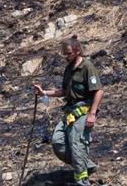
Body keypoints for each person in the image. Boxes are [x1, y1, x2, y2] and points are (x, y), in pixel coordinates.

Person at [34, 37, 104, 186]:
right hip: (70, 111)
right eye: (64, 54)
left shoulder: (87, 67)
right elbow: (64, 91)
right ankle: (88, 165)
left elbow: (98, 91)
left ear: (77, 51)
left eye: (68, 54)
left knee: (77, 145)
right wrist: (44, 93)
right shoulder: (69, 68)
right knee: (58, 142)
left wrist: (92, 114)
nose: (66, 57)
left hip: (83, 112)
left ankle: (82, 181)